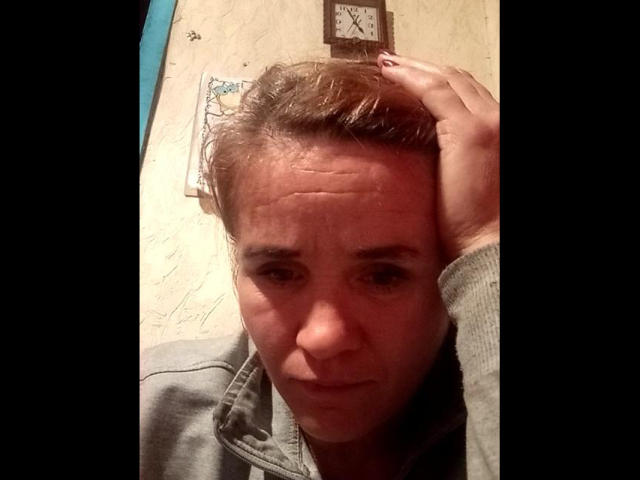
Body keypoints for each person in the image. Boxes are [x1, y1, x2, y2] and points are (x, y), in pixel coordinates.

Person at [140, 51, 500, 480]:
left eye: (383, 276)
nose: (324, 339)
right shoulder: (154, 408)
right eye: (278, 273)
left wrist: (487, 237)